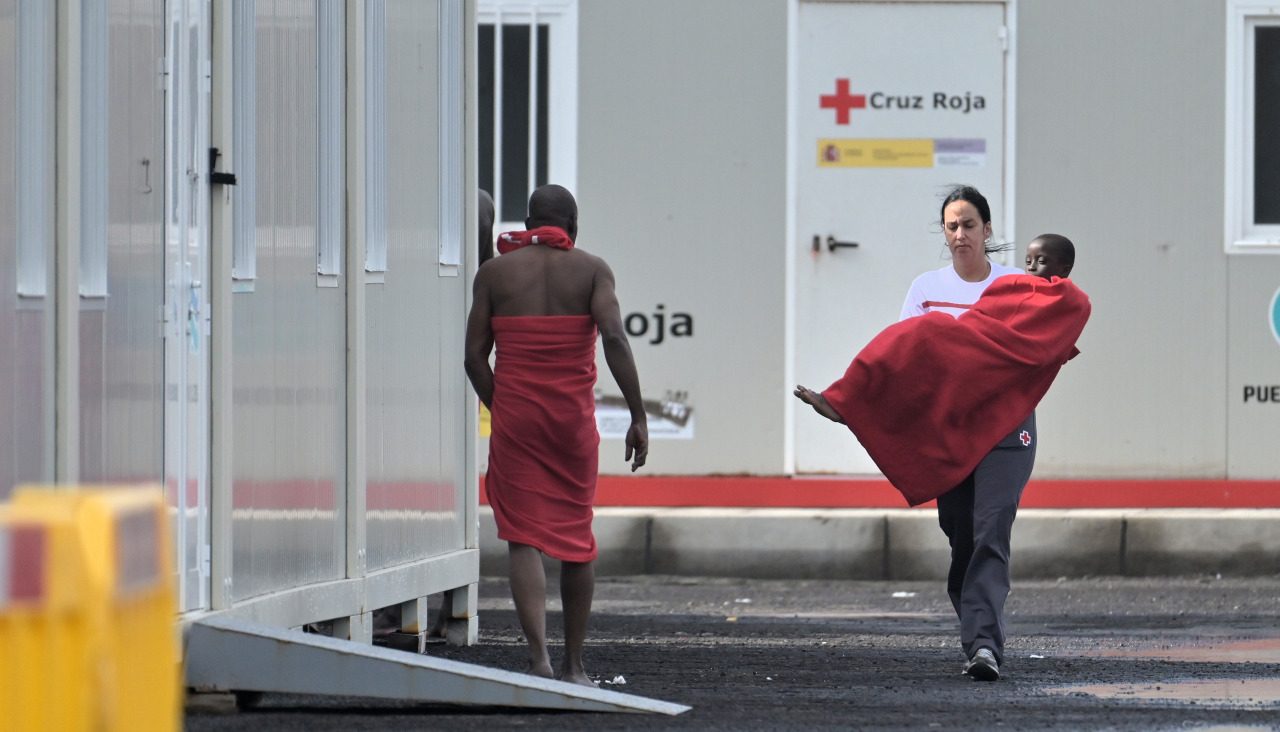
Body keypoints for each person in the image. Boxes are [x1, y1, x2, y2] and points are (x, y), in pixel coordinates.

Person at [795, 187, 1089, 683]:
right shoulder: (926, 286)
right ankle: (847, 403)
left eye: (969, 224)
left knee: (992, 532)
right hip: (948, 428)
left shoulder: (1022, 286)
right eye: (951, 226)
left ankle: (983, 646)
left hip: (1005, 426)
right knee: (962, 537)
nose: (960, 234)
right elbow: (909, 361)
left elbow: (1042, 345)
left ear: (987, 230)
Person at [464, 183, 648, 686]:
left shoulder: (495, 273)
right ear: (574, 225)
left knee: (522, 538)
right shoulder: (592, 269)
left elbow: (473, 357)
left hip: (518, 418)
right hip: (571, 423)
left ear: (528, 225)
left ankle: (539, 659)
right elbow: (614, 338)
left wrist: (502, 406)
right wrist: (638, 415)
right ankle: (574, 667)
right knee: (575, 538)